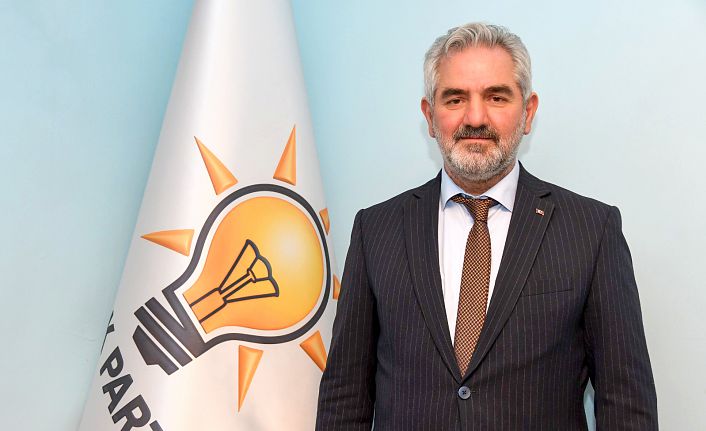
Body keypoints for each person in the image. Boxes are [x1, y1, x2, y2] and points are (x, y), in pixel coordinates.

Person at [315, 22, 658, 430]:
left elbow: (626, 404)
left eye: (496, 97)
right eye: (455, 98)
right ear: (429, 115)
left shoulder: (592, 231)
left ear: (528, 111)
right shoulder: (375, 231)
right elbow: (345, 399)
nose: (475, 118)